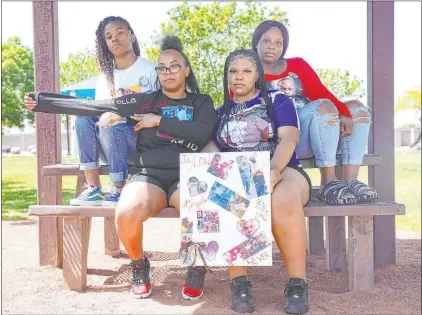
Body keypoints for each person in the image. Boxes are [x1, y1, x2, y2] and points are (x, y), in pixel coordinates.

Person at [27, 35, 218, 302]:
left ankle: (196, 265)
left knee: (199, 209)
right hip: (148, 176)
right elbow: (95, 106)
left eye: (174, 66)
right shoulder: (145, 101)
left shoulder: (201, 102)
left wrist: (158, 122)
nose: (167, 72)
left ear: (186, 70)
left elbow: (201, 133)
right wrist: (43, 102)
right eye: (162, 67)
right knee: (126, 212)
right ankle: (139, 265)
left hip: (187, 175)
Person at [206, 48, 312, 314]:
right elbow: (210, 147)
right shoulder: (221, 113)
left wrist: (273, 169)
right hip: (240, 176)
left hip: (283, 169)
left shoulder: (278, 100)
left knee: (283, 195)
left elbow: (289, 138)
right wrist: (211, 164)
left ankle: (297, 283)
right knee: (226, 194)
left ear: (257, 75)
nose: (239, 77)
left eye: (246, 71)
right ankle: (239, 282)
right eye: (233, 71)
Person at [24, 16, 157, 206]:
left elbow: (160, 107)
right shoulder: (105, 77)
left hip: (139, 144)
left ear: (132, 37)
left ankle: (119, 188)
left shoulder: (151, 70)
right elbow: (100, 111)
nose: (115, 38)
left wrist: (119, 114)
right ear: (106, 44)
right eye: (109, 36)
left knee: (111, 117)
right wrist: (39, 102)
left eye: (120, 33)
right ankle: (94, 187)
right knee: (84, 118)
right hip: (109, 145)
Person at [252, 20, 378, 205]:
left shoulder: (298, 65)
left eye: (278, 42)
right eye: (266, 41)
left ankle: (351, 180)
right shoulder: (247, 70)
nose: (272, 47)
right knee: (323, 107)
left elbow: (319, 91)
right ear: (256, 42)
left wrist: (343, 112)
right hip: (284, 140)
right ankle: (329, 181)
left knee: (357, 109)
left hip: (318, 131)